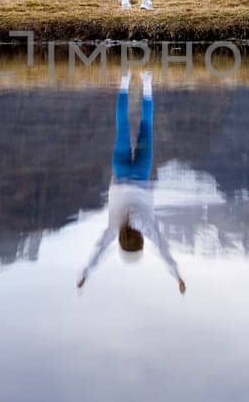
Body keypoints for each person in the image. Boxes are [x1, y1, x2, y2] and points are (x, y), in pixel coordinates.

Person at [77, 71, 186, 292]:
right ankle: (125, 81)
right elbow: (99, 250)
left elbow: (164, 251)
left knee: (146, 126)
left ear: (141, 241)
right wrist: (86, 273)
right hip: (121, 170)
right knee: (123, 126)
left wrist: (178, 277)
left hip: (142, 173)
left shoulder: (148, 228)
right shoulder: (114, 230)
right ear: (122, 241)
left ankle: (146, 81)